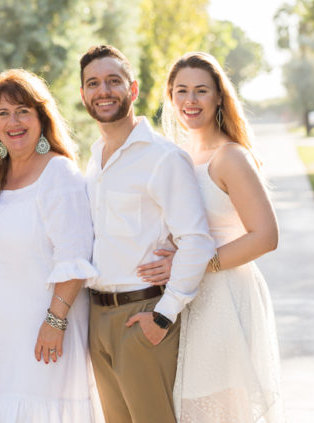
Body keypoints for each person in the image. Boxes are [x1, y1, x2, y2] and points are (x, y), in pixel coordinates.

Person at [140, 51, 285, 422]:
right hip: (185, 296)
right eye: (182, 91)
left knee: (218, 409)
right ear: (170, 97)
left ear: (219, 96)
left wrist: (197, 263)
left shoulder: (230, 157)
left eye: (201, 91)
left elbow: (266, 236)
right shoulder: (178, 155)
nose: (190, 101)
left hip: (224, 298)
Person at [80, 44, 215, 423]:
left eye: (113, 81)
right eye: (93, 83)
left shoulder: (163, 157)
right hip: (98, 318)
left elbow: (196, 241)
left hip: (143, 315)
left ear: (133, 89)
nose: (103, 90)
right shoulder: (94, 159)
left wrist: (164, 315)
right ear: (83, 94)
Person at [0, 69, 101, 422]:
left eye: (23, 111)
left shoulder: (59, 174)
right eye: (3, 114)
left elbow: (75, 257)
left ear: (41, 117)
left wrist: (55, 321)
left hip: (42, 335)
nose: (13, 122)